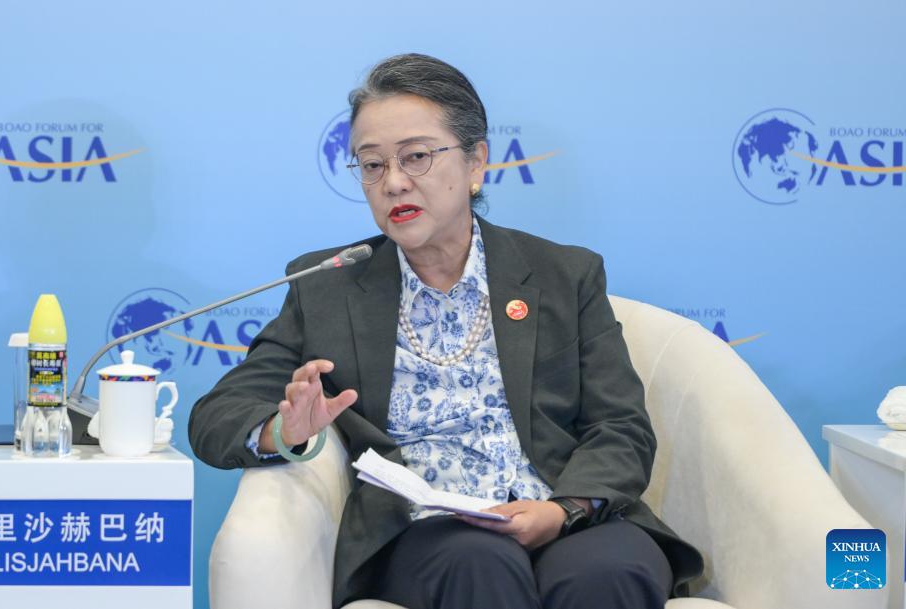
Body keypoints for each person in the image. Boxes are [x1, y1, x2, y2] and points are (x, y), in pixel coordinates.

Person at [189, 53, 704, 609]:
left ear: (476, 162)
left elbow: (620, 426)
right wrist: (284, 430)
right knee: (479, 562)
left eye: (416, 157)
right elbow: (216, 416)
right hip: (427, 531)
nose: (393, 183)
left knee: (609, 572)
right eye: (372, 165)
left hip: (564, 510)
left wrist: (562, 511)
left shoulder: (564, 275)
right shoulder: (329, 286)